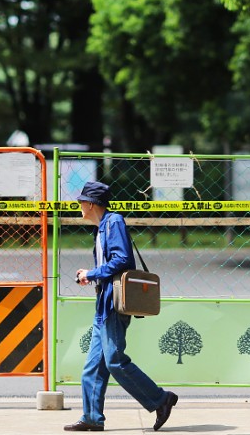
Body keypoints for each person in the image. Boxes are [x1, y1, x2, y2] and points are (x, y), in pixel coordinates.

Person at [64, 180, 178, 432]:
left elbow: (122, 259)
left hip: (113, 305)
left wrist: (92, 273)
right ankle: (91, 417)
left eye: (82, 202)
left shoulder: (113, 222)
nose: (80, 206)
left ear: (92, 204)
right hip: (103, 304)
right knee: (93, 368)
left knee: (114, 360)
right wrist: (91, 274)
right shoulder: (101, 227)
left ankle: (161, 399)